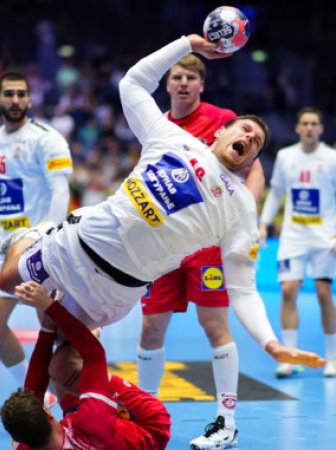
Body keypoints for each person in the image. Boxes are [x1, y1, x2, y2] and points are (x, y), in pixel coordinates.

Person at [0, 34, 323, 380]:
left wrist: (271, 344)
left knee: (64, 364)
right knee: (5, 280)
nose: (248, 138)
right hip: (73, 247)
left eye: (255, 142)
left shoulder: (241, 209)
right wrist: (187, 44)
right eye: (244, 130)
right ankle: (34, 236)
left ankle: (66, 411)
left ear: (252, 160)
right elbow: (132, 83)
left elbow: (243, 290)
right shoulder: (171, 137)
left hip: (116, 292)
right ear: (219, 132)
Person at [135, 53, 266, 450]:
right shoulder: (158, 124)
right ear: (167, 83)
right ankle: (145, 414)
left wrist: (246, 220)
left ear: (201, 85)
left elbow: (254, 170)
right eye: (177, 77)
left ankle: (227, 422)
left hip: (207, 244)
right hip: (164, 243)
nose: (183, 83)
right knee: (150, 328)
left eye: (191, 78)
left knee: (214, 325)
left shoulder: (224, 120)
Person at [0, 281, 171, 450]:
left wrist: (47, 328)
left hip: (89, 432)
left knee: (60, 365)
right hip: (150, 426)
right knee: (63, 364)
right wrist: (51, 308)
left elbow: (34, 387)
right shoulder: (93, 422)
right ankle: (95, 324)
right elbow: (94, 355)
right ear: (49, 415)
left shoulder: (26, 444)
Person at [0, 72, 72, 386]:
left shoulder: (47, 138)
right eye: (9, 94)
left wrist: (47, 234)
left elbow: (60, 190)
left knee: (53, 329)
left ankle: (69, 396)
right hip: (6, 248)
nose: (15, 100)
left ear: (30, 100)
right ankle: (33, 393)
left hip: (40, 245)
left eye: (21, 94)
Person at [259, 107, 336, 379]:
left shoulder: (334, 158)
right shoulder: (285, 156)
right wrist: (264, 223)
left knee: (324, 293)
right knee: (288, 291)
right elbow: (275, 193)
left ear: (321, 128)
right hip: (293, 236)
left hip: (325, 236)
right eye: (305, 123)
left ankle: (332, 359)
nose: (310, 127)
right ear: (298, 128)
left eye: (314, 123)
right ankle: (289, 358)